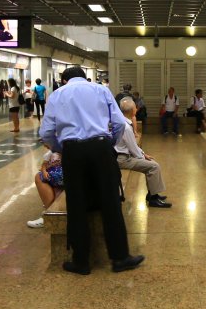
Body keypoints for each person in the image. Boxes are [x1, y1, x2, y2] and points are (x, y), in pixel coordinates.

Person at [40, 66, 144, 275]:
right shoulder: (100, 90)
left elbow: (47, 132)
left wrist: (61, 148)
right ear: (83, 77)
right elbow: (118, 124)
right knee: (111, 201)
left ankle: (81, 262)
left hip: (73, 151)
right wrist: (107, 143)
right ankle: (120, 257)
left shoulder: (58, 95)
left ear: (64, 80)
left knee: (76, 203)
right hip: (100, 147)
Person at [116, 98, 171, 208]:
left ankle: (152, 194)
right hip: (123, 158)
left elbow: (133, 146)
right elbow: (133, 149)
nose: (137, 109)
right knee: (154, 166)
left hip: (122, 156)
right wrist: (142, 156)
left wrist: (143, 154)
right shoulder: (126, 127)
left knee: (151, 163)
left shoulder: (121, 122)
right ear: (133, 110)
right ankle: (153, 199)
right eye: (135, 107)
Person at [27, 148, 64, 229]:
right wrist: (45, 170)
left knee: (40, 177)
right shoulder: (52, 152)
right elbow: (44, 165)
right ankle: (51, 215)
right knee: (42, 178)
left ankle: (52, 217)